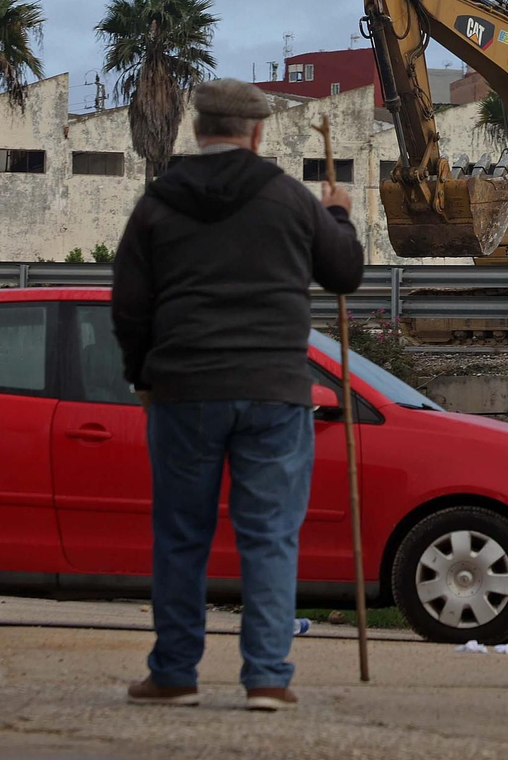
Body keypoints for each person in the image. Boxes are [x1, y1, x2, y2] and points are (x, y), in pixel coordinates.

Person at [111, 78, 364, 711]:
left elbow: (129, 305)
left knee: (180, 535)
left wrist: (143, 375)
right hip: (274, 390)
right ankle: (268, 679)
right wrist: (337, 214)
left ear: (198, 130)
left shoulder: (156, 203)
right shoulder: (290, 200)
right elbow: (344, 273)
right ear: (255, 134)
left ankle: (174, 672)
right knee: (270, 535)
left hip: (184, 389)